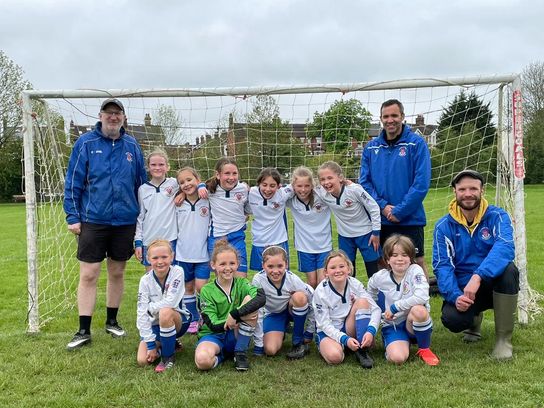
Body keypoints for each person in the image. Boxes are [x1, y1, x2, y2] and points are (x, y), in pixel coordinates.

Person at [63, 98, 147, 350]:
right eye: (109, 112)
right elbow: (73, 183)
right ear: (100, 115)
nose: (113, 117)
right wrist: (72, 216)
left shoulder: (132, 145)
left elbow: (140, 185)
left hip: (124, 220)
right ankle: (83, 329)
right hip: (93, 220)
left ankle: (112, 321)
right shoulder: (85, 143)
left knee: (117, 272)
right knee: (89, 274)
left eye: (117, 113)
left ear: (123, 117)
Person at [433, 169, 519, 360]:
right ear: (454, 191)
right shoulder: (443, 226)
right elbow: (442, 266)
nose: (468, 193)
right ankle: (473, 320)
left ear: (482, 190)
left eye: (473, 188)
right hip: (465, 290)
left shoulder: (497, 216)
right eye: (462, 189)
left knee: (509, 270)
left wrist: (478, 275)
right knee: (452, 320)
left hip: (492, 283)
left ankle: (503, 340)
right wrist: (456, 297)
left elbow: (505, 247)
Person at [359, 99, 431, 278]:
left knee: (416, 261)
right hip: (381, 219)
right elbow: (365, 183)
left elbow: (421, 183)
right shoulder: (371, 147)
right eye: (386, 116)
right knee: (384, 262)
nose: (390, 120)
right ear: (381, 118)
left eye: (394, 115)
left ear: (402, 117)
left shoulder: (416, 144)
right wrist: (383, 207)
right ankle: (387, 302)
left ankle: (422, 302)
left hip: (410, 218)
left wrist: (400, 210)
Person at [367, 235, 439, 366]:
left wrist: (395, 307)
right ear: (387, 259)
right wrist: (379, 312)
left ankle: (424, 349)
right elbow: (369, 293)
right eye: (394, 255)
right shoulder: (380, 277)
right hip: (393, 324)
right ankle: (393, 342)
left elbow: (422, 296)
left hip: (413, 321)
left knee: (419, 310)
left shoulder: (415, 270)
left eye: (404, 255)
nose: (400, 259)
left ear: (410, 258)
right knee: (398, 358)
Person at [194, 240, 266, 371]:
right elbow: (212, 324)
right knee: (202, 361)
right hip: (213, 335)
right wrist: (230, 320)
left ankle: (240, 352)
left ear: (238, 264)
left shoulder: (242, 283)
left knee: (250, 299)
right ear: (213, 265)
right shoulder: (206, 290)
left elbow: (261, 297)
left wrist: (235, 314)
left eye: (232, 263)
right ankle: (220, 357)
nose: (228, 268)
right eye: (222, 264)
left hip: (236, 333)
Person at [313, 250, 381, 368]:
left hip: (348, 325)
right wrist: (344, 339)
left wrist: (371, 331)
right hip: (329, 331)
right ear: (326, 272)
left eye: (341, 266)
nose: (338, 270)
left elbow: (376, 309)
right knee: (335, 357)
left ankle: (362, 350)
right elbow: (324, 324)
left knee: (362, 302)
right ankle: (338, 345)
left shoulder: (355, 284)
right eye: (333, 267)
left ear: (349, 269)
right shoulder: (321, 291)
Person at [316, 161, 381, 278]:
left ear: (340, 177)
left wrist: (376, 232)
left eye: (330, 178)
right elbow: (304, 186)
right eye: (322, 179)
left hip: (366, 234)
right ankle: (349, 295)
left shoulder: (354, 189)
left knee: (374, 272)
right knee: (347, 272)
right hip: (345, 236)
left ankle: (376, 296)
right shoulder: (321, 192)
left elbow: (374, 207)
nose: (326, 182)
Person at [136, 239, 191, 372]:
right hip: (155, 324)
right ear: (149, 259)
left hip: (179, 321)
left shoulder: (177, 271)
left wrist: (151, 307)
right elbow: (141, 313)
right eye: (155, 258)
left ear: (171, 257)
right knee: (143, 360)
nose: (160, 261)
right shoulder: (145, 280)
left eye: (164, 257)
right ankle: (167, 344)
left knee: (165, 312)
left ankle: (167, 357)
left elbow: (171, 302)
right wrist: (150, 345)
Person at [252, 246, 314, 359]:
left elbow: (312, 302)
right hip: (273, 314)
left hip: (291, 310)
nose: (275, 271)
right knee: (270, 350)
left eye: (280, 266)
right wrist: (258, 344)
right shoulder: (258, 280)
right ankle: (282, 328)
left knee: (299, 297)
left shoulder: (293, 279)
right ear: (263, 265)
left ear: (286, 264)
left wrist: (309, 331)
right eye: (270, 266)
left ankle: (297, 342)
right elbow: (258, 311)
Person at [197, 157, 251, 277]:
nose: (231, 178)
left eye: (234, 173)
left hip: (237, 236)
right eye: (227, 173)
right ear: (218, 174)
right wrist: (200, 186)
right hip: (217, 237)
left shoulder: (243, 189)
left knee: (241, 277)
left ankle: (238, 296)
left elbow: (247, 209)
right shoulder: (210, 189)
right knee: (222, 275)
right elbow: (189, 185)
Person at [174, 167, 211, 334]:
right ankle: (193, 319)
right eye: (182, 182)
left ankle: (205, 316)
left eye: (189, 180)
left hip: (203, 254)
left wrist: (203, 185)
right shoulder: (177, 203)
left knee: (201, 288)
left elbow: (215, 183)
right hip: (183, 254)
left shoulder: (208, 199)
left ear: (197, 179)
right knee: (188, 288)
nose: (186, 184)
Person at [287, 166, 332, 288]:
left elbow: (336, 190)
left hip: (324, 246)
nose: (303, 190)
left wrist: (347, 183)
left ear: (312, 185)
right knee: (312, 283)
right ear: (293, 186)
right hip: (304, 247)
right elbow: (274, 197)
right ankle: (311, 306)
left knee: (323, 282)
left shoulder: (322, 195)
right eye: (299, 186)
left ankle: (323, 306)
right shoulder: (291, 200)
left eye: (307, 186)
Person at [134, 149, 178, 271]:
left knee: (171, 278)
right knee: (151, 279)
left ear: (167, 167)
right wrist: (138, 242)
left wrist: (182, 194)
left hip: (170, 239)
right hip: (149, 240)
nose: (157, 168)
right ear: (148, 167)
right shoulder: (142, 189)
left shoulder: (174, 183)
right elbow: (140, 217)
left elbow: (192, 183)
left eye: (161, 164)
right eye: (153, 165)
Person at [247, 168, 294, 272]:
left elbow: (298, 183)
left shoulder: (283, 194)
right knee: (261, 276)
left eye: (272, 186)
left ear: (278, 186)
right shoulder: (251, 193)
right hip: (258, 242)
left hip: (279, 241)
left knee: (282, 274)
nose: (268, 189)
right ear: (258, 184)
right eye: (264, 185)